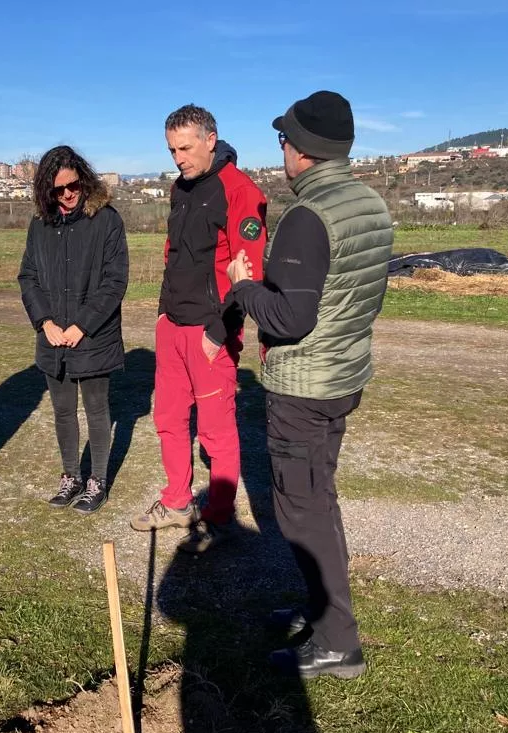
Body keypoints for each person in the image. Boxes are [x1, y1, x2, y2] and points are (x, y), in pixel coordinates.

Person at [225, 91, 393, 678]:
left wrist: (244, 286)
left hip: (305, 385)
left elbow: (290, 318)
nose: (282, 153)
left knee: (301, 512)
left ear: (300, 149)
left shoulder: (307, 216)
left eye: (283, 141)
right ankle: (323, 613)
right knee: (319, 500)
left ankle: (337, 643)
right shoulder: (369, 204)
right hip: (344, 373)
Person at [130, 104, 267, 553]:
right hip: (172, 324)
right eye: (172, 150)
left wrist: (219, 331)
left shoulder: (240, 190)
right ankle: (176, 502)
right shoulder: (180, 188)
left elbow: (249, 271)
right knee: (169, 419)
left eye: (185, 148)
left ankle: (220, 515)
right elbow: (173, 253)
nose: (178, 159)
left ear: (211, 140)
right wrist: (162, 313)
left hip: (211, 330)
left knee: (215, 429)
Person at [18, 146, 129, 514]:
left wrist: (83, 324)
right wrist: (45, 322)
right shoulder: (40, 224)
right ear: (46, 191)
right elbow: (28, 277)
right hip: (52, 336)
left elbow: (115, 281)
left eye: (73, 185)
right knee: (63, 410)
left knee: (97, 410)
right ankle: (71, 477)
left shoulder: (107, 220)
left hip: (94, 335)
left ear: (85, 180)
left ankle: (97, 480)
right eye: (57, 189)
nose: (67, 194)